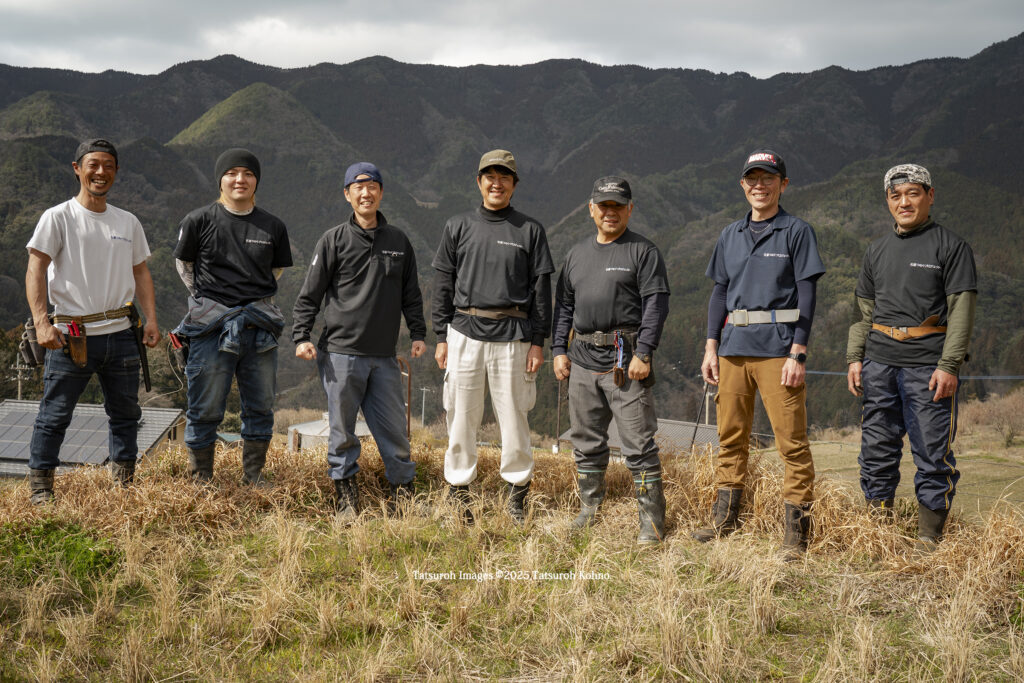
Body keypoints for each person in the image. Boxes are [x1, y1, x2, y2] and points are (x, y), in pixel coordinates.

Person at [696, 149, 825, 561]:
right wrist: (711, 346)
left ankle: (796, 534)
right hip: (733, 348)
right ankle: (725, 519)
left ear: (782, 184)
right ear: (742, 185)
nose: (759, 185)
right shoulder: (729, 234)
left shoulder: (796, 231)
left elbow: (808, 291)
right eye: (752, 178)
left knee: (791, 441)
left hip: (778, 350)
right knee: (730, 437)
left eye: (768, 178)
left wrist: (798, 351)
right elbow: (719, 293)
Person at [846, 163, 976, 552]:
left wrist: (949, 365)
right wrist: (856, 357)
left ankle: (928, 538)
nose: (904, 202)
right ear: (888, 201)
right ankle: (877, 529)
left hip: (928, 366)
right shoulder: (877, 250)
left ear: (930, 196)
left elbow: (962, 312)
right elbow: (862, 313)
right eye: (896, 195)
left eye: (913, 193)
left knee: (932, 453)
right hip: (879, 364)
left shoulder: (951, 246)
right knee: (876, 450)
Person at [24, 138, 161, 504]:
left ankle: (124, 484)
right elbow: (35, 269)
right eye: (93, 165)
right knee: (54, 415)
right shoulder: (58, 217)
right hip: (70, 335)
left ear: (116, 172)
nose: (101, 172)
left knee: (126, 413)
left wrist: (151, 320)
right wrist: (41, 322)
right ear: (77, 169)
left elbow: (141, 272)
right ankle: (41, 490)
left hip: (121, 333)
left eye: (108, 166)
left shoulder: (127, 222)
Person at [292, 162, 427, 520]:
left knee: (394, 431)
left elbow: (411, 293)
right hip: (340, 354)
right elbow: (310, 294)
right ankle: (346, 499)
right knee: (342, 432)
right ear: (348, 194)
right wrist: (301, 335)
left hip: (383, 357)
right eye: (358, 186)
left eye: (373, 186)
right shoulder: (333, 240)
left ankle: (404, 496)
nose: (366, 193)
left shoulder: (398, 241)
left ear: (381, 192)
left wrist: (418, 333)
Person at [432, 149, 554, 524]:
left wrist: (538, 340)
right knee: (460, 417)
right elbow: (442, 283)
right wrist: (441, 335)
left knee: (515, 419)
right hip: (464, 332)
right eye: (490, 176)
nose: (496, 182)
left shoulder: (530, 230)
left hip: (514, 336)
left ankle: (516, 495)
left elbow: (541, 290)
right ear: (479, 182)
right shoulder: (458, 226)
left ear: (514, 184)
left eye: (504, 176)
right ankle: (459, 493)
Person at [552, 176, 671, 543]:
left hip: (626, 362)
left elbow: (656, 304)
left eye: (618, 206)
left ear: (630, 209)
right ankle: (590, 508)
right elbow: (564, 307)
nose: (610, 212)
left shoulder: (643, 252)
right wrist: (558, 349)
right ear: (591, 209)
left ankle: (651, 523)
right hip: (582, 359)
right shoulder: (576, 255)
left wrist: (645, 352)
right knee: (585, 440)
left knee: (638, 444)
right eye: (603, 206)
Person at [172, 148, 292, 485]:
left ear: (257, 181)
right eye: (232, 173)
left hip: (259, 326)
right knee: (205, 407)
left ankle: (253, 476)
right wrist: (214, 302)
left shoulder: (272, 225)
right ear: (221, 179)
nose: (240, 179)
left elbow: (275, 270)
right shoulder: (199, 220)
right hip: (211, 328)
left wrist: (247, 300)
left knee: (260, 405)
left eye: (248, 174)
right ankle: (201, 479)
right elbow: (185, 267)